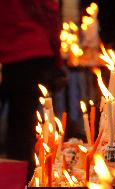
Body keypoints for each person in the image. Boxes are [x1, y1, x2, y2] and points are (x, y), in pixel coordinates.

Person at [0, 0, 65, 183]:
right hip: (31, 52)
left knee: (21, 126)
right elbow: (50, 13)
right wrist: (57, 59)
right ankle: (20, 180)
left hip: (13, 52)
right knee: (23, 128)